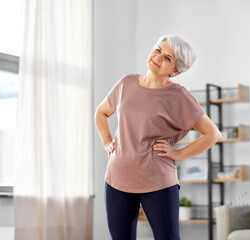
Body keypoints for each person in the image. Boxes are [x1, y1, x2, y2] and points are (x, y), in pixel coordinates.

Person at [94, 35, 222, 240]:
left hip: (158, 181)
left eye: (168, 58)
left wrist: (178, 154)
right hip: (117, 178)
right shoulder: (126, 83)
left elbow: (213, 134)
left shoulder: (178, 96)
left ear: (176, 70)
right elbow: (101, 113)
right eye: (158, 50)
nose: (158, 57)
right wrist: (107, 141)